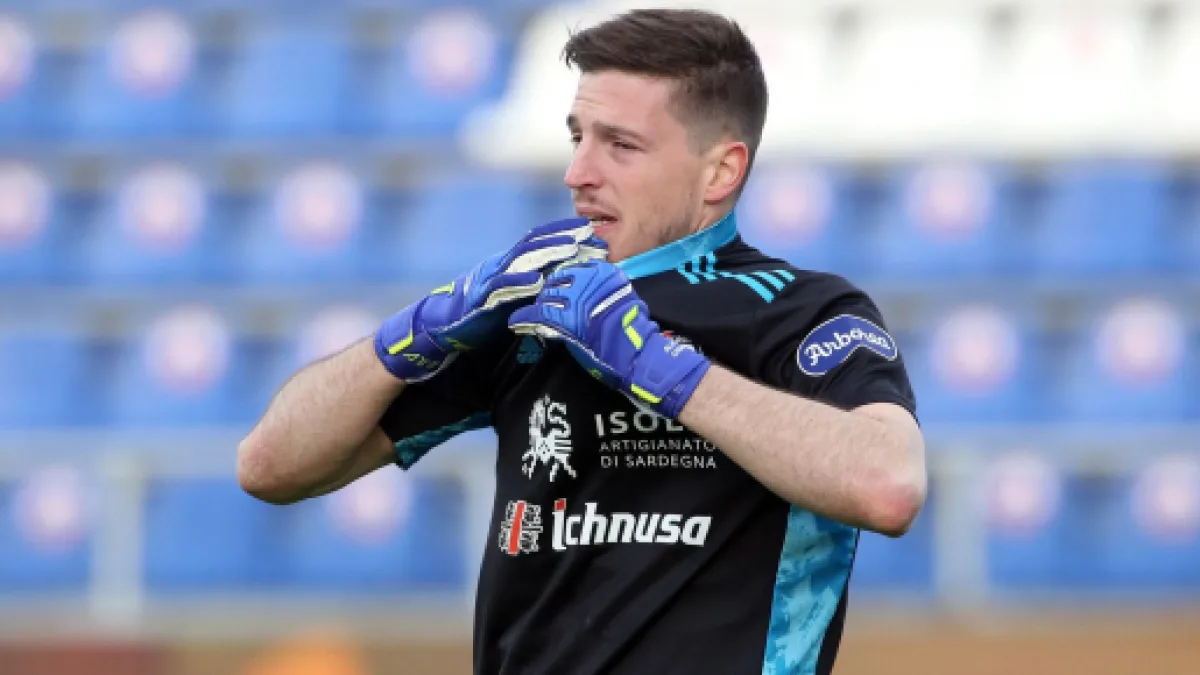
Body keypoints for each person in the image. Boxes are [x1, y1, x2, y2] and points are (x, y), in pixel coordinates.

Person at [237, 8, 927, 675]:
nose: (578, 174)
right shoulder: (533, 306)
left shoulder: (799, 310)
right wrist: (412, 331)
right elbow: (270, 466)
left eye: (620, 145)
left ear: (720, 171)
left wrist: (663, 370)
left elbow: (889, 486)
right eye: (578, 138)